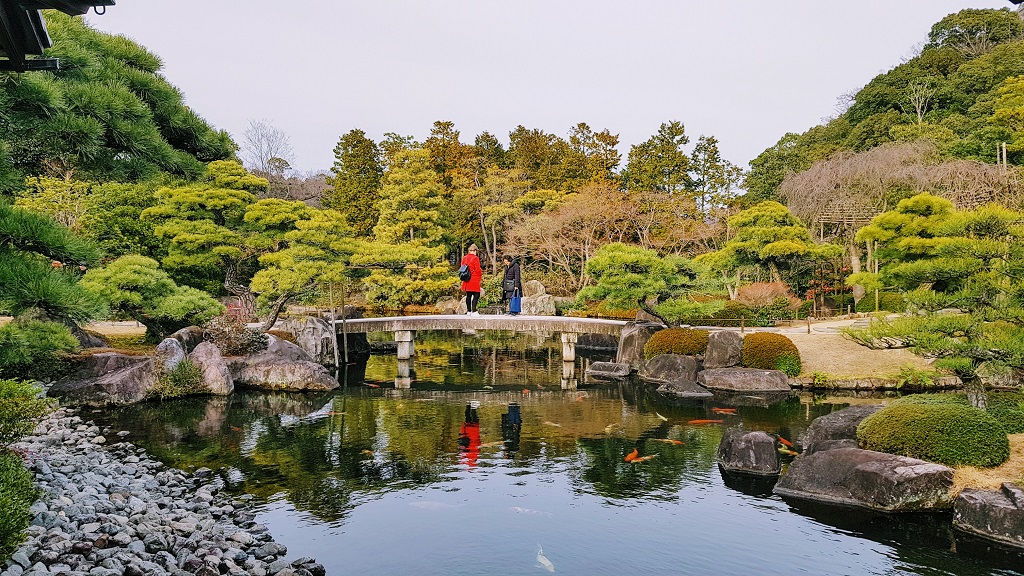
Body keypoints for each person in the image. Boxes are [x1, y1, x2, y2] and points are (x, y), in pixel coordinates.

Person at [460, 244, 483, 316]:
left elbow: (462, 267)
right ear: (475, 251)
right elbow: (478, 269)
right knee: (476, 295)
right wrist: (480, 275)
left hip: (466, 278)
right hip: (474, 279)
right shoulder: (475, 258)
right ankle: (474, 311)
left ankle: (469, 311)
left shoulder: (464, 258)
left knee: (468, 295)